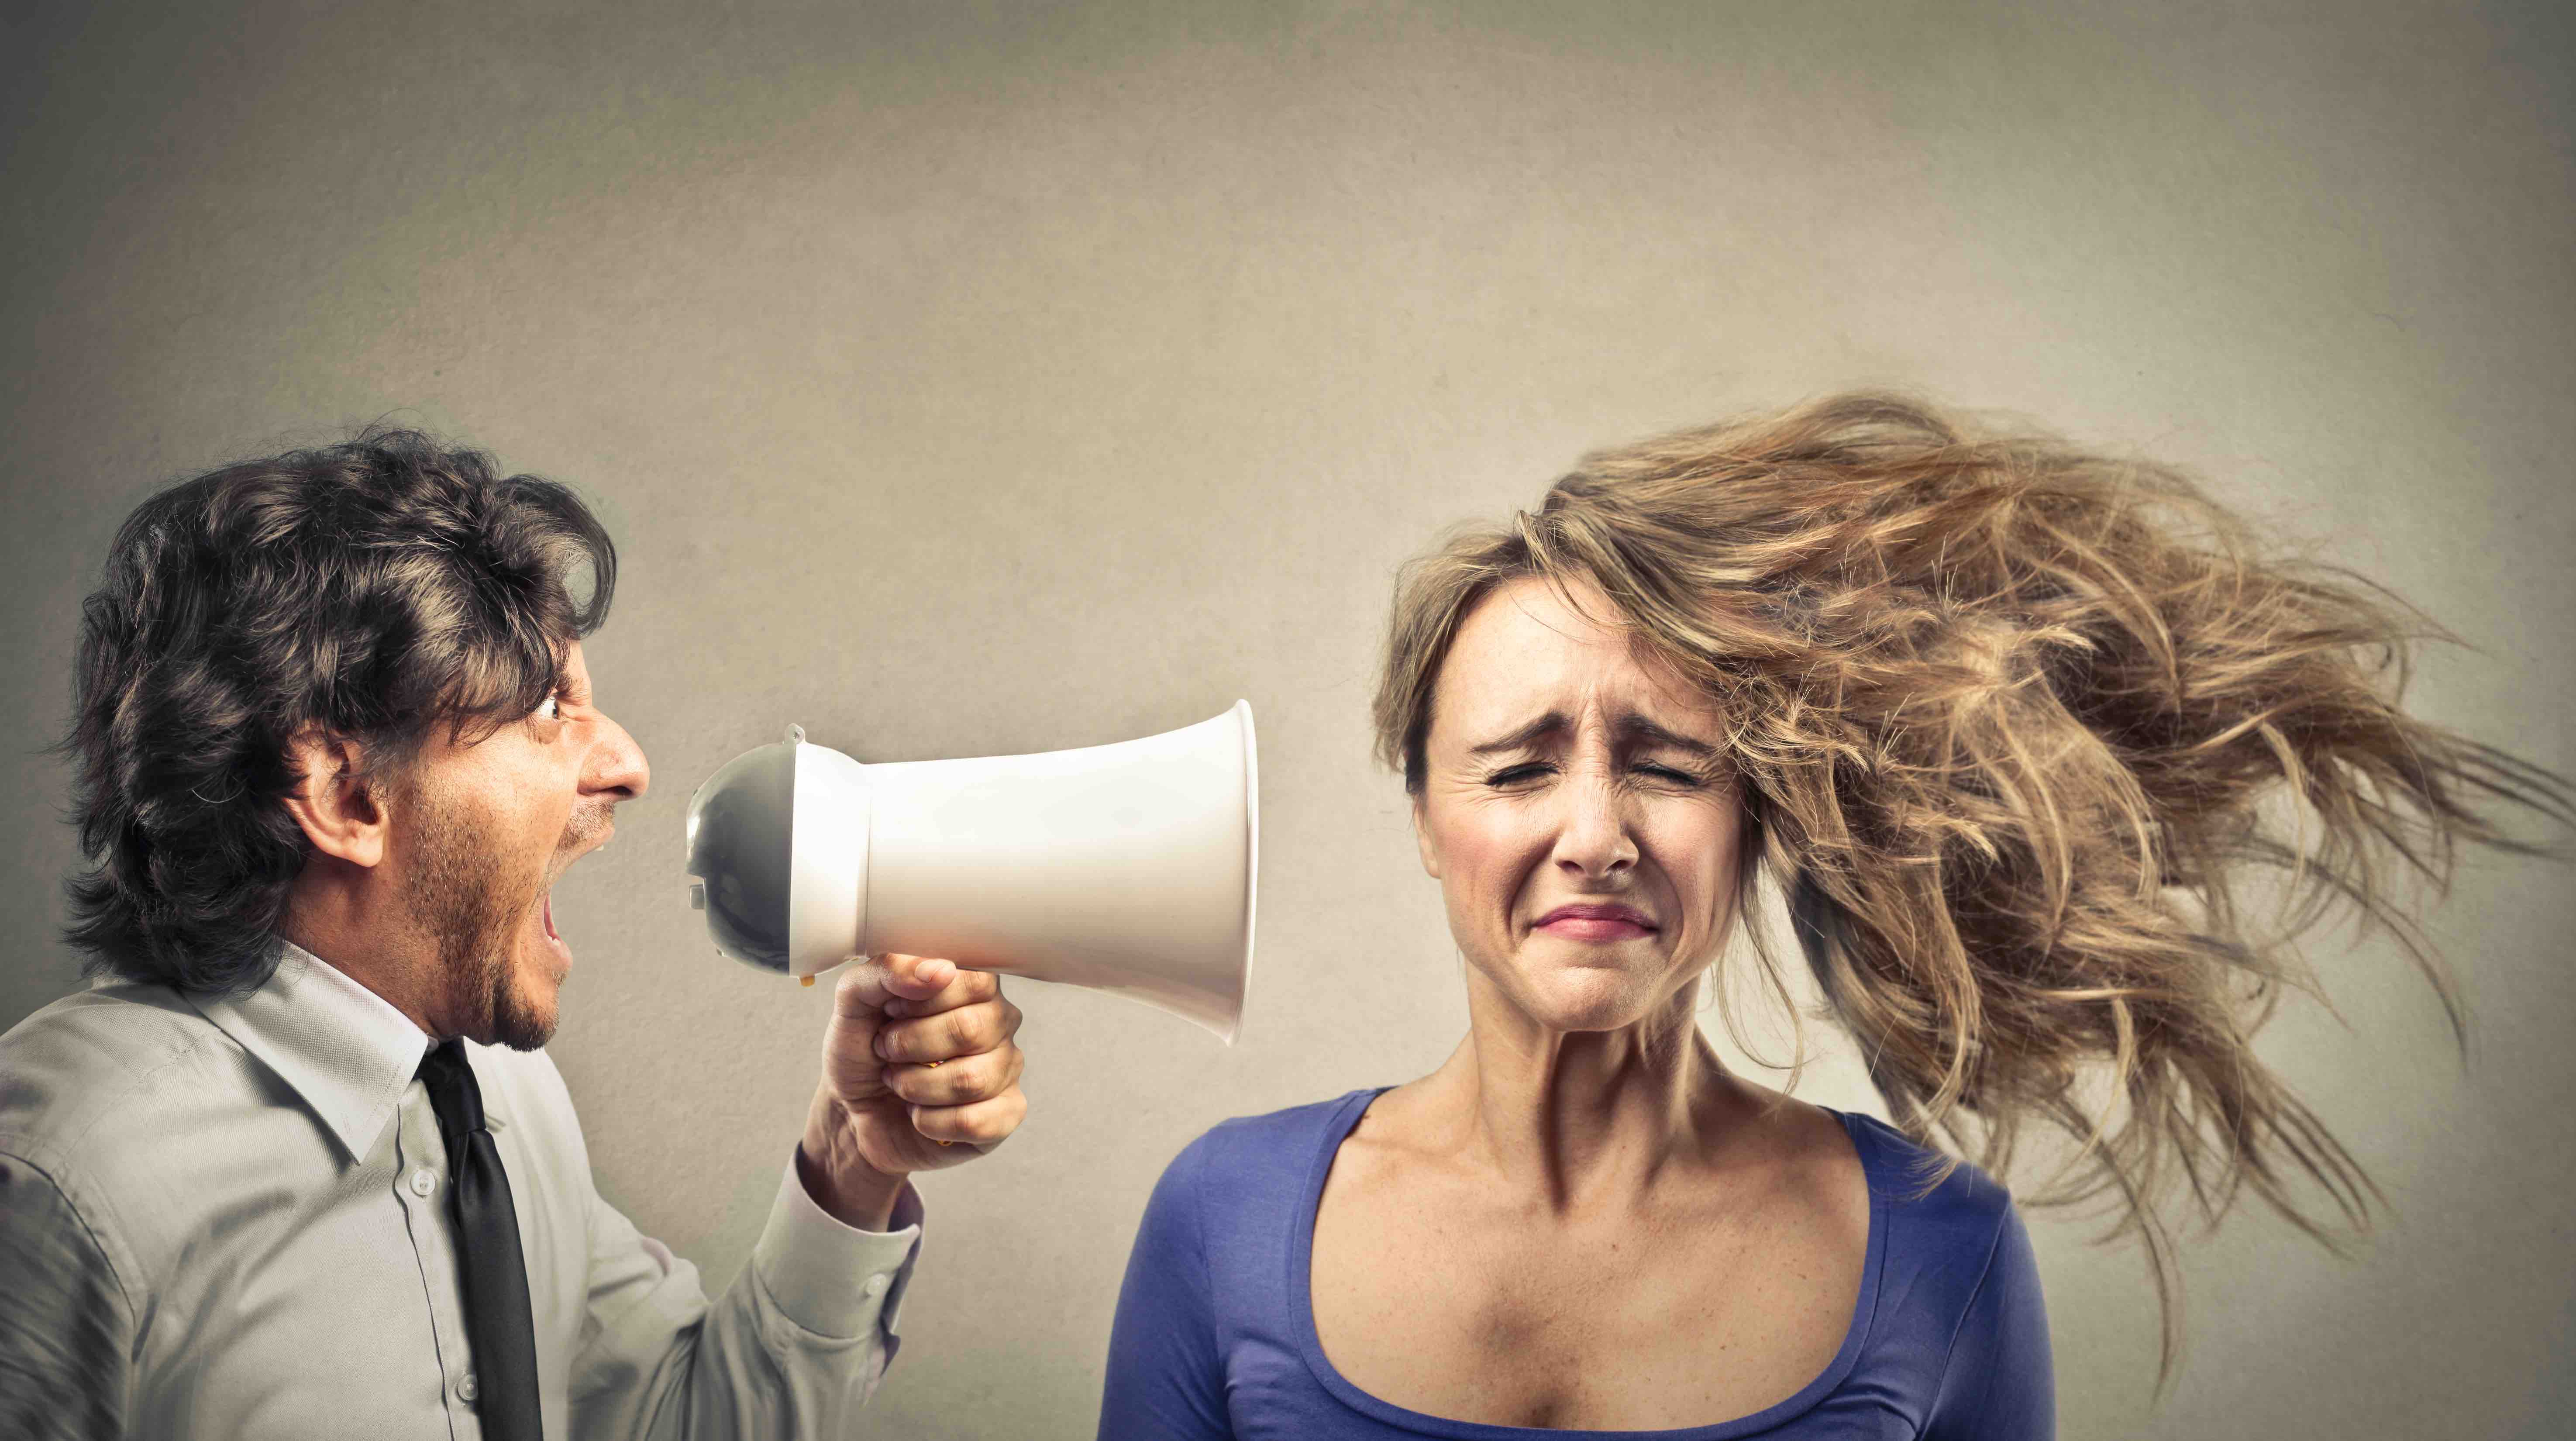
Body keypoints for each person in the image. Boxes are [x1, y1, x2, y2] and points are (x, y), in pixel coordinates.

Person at [1098, 393, 2569, 1439]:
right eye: (1521, 765)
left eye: (1668, 768)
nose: (1597, 834)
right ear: (1427, 816)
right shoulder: (1227, 1222)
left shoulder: (1940, 1251)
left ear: (1750, 821)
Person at [0, 430, 1032, 1439]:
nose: (626, 762)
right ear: (347, 794)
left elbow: (679, 1419)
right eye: (547, 706)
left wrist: (851, 1160)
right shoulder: (63, 1177)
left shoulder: (500, 1098)